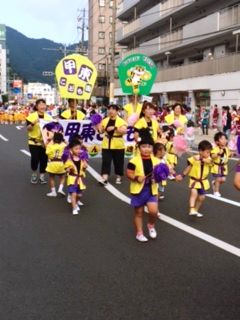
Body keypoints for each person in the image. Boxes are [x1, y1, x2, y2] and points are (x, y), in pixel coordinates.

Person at [126, 129, 160, 242]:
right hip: (138, 190)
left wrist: (163, 175)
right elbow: (129, 173)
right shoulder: (133, 161)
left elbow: (162, 174)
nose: (147, 149)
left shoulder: (157, 161)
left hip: (151, 189)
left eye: (149, 147)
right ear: (139, 147)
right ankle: (139, 233)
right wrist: (136, 177)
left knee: (153, 211)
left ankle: (151, 225)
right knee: (139, 212)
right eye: (144, 146)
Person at [176, 140, 213, 217]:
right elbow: (188, 168)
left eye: (209, 152)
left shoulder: (208, 159)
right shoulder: (193, 159)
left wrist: (200, 159)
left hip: (203, 181)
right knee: (194, 193)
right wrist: (182, 176)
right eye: (207, 152)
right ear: (200, 151)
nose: (208, 154)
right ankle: (192, 208)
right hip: (194, 180)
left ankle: (196, 210)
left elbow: (209, 162)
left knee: (202, 197)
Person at [97, 104, 128, 185]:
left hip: (118, 144)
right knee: (106, 161)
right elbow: (101, 131)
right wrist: (97, 126)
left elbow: (124, 131)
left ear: (117, 111)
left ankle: (118, 176)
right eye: (109, 109)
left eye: (113, 109)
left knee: (118, 161)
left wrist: (115, 128)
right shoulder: (104, 120)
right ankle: (104, 178)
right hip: (106, 144)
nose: (110, 111)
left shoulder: (121, 121)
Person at [26, 99, 52, 184]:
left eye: (44, 104)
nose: (42, 106)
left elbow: (52, 131)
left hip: (45, 142)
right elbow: (28, 129)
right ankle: (34, 173)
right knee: (35, 158)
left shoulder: (49, 117)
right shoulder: (31, 116)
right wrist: (33, 123)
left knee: (44, 159)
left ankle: (42, 176)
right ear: (37, 106)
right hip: (34, 142)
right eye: (40, 104)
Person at [64, 139, 88, 215]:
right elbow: (66, 169)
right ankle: (74, 208)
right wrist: (68, 169)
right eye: (76, 149)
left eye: (79, 148)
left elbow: (84, 168)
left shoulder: (82, 159)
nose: (78, 150)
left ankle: (76, 203)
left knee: (79, 195)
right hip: (72, 179)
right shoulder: (69, 159)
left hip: (80, 179)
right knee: (73, 194)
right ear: (71, 149)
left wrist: (85, 166)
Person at [45, 132, 67, 197]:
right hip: (61, 163)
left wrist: (49, 141)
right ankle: (60, 189)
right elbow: (68, 149)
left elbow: (47, 152)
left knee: (51, 177)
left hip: (52, 163)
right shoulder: (64, 145)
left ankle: (53, 192)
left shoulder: (50, 146)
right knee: (62, 177)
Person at [211, 132, 230, 197]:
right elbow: (212, 156)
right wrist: (218, 153)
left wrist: (232, 154)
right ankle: (216, 191)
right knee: (218, 179)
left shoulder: (226, 149)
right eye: (221, 139)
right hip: (216, 167)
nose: (224, 140)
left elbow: (228, 155)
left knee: (223, 180)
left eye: (225, 139)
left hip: (224, 167)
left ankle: (214, 183)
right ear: (217, 141)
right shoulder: (216, 149)